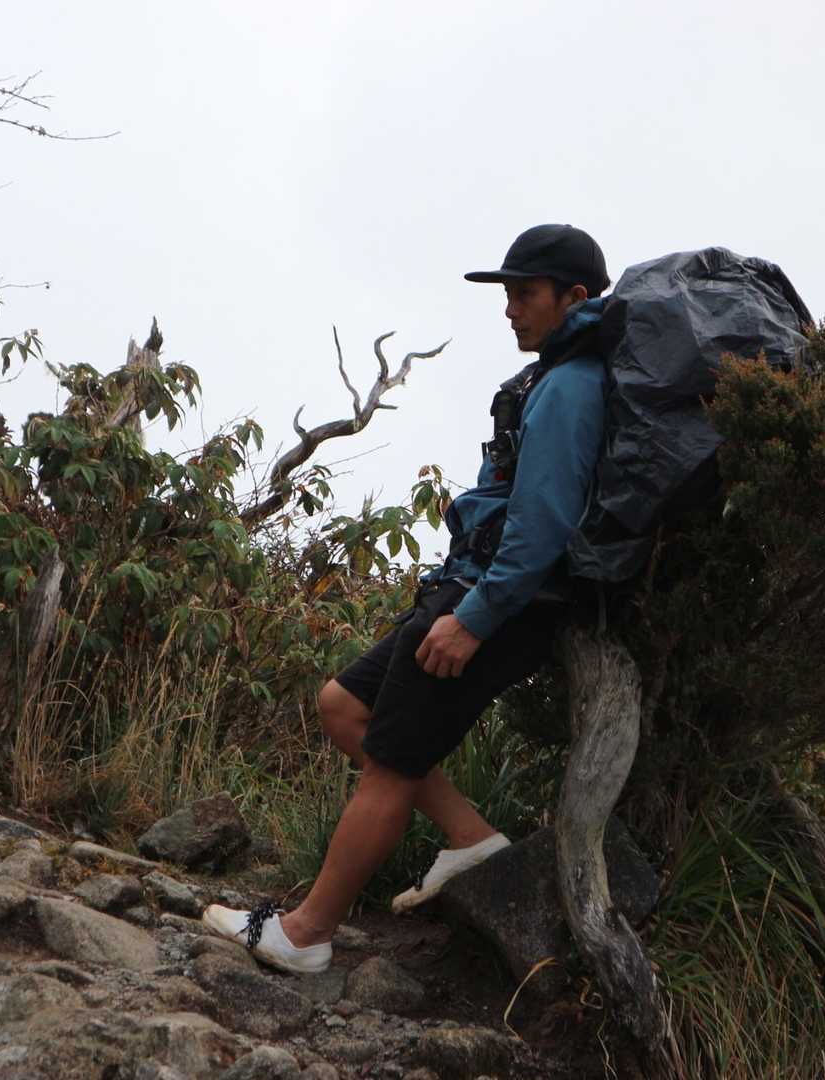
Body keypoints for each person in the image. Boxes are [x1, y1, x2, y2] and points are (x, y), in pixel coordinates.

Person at [200, 224, 612, 973]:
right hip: (473, 588)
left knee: (392, 760)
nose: (510, 309)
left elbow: (542, 528)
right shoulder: (549, 379)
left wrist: (473, 620)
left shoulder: (570, 389)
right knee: (344, 706)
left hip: (501, 603)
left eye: (524, 294)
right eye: (508, 294)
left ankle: (306, 933)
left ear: (573, 296)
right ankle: (471, 838)